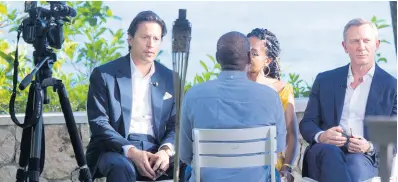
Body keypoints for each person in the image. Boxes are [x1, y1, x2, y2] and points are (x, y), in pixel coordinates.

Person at [179, 31, 287, 182]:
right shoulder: (270, 97)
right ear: (249, 57)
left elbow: (185, 154)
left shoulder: (193, 95)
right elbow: (279, 146)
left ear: (217, 58)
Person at [85, 11, 179, 182]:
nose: (151, 44)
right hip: (116, 148)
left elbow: (176, 125)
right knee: (122, 167)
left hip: (156, 147)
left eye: (156, 39)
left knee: (188, 165)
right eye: (145, 37)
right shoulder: (105, 74)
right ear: (130, 39)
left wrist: (165, 151)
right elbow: (99, 122)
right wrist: (131, 151)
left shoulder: (170, 78)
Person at [299, 18, 397, 182]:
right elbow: (307, 123)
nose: (361, 47)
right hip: (325, 152)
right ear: (345, 47)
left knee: (354, 162)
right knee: (331, 153)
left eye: (366, 41)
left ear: (377, 44)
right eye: (354, 41)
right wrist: (322, 136)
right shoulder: (325, 80)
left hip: (365, 157)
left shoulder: (392, 87)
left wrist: (369, 146)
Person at [246, 28, 299, 182]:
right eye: (246, 51)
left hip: (271, 166)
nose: (248, 57)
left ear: (267, 60)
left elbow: (292, 135)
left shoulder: (281, 90)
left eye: (254, 54)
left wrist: (286, 167)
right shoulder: (233, 87)